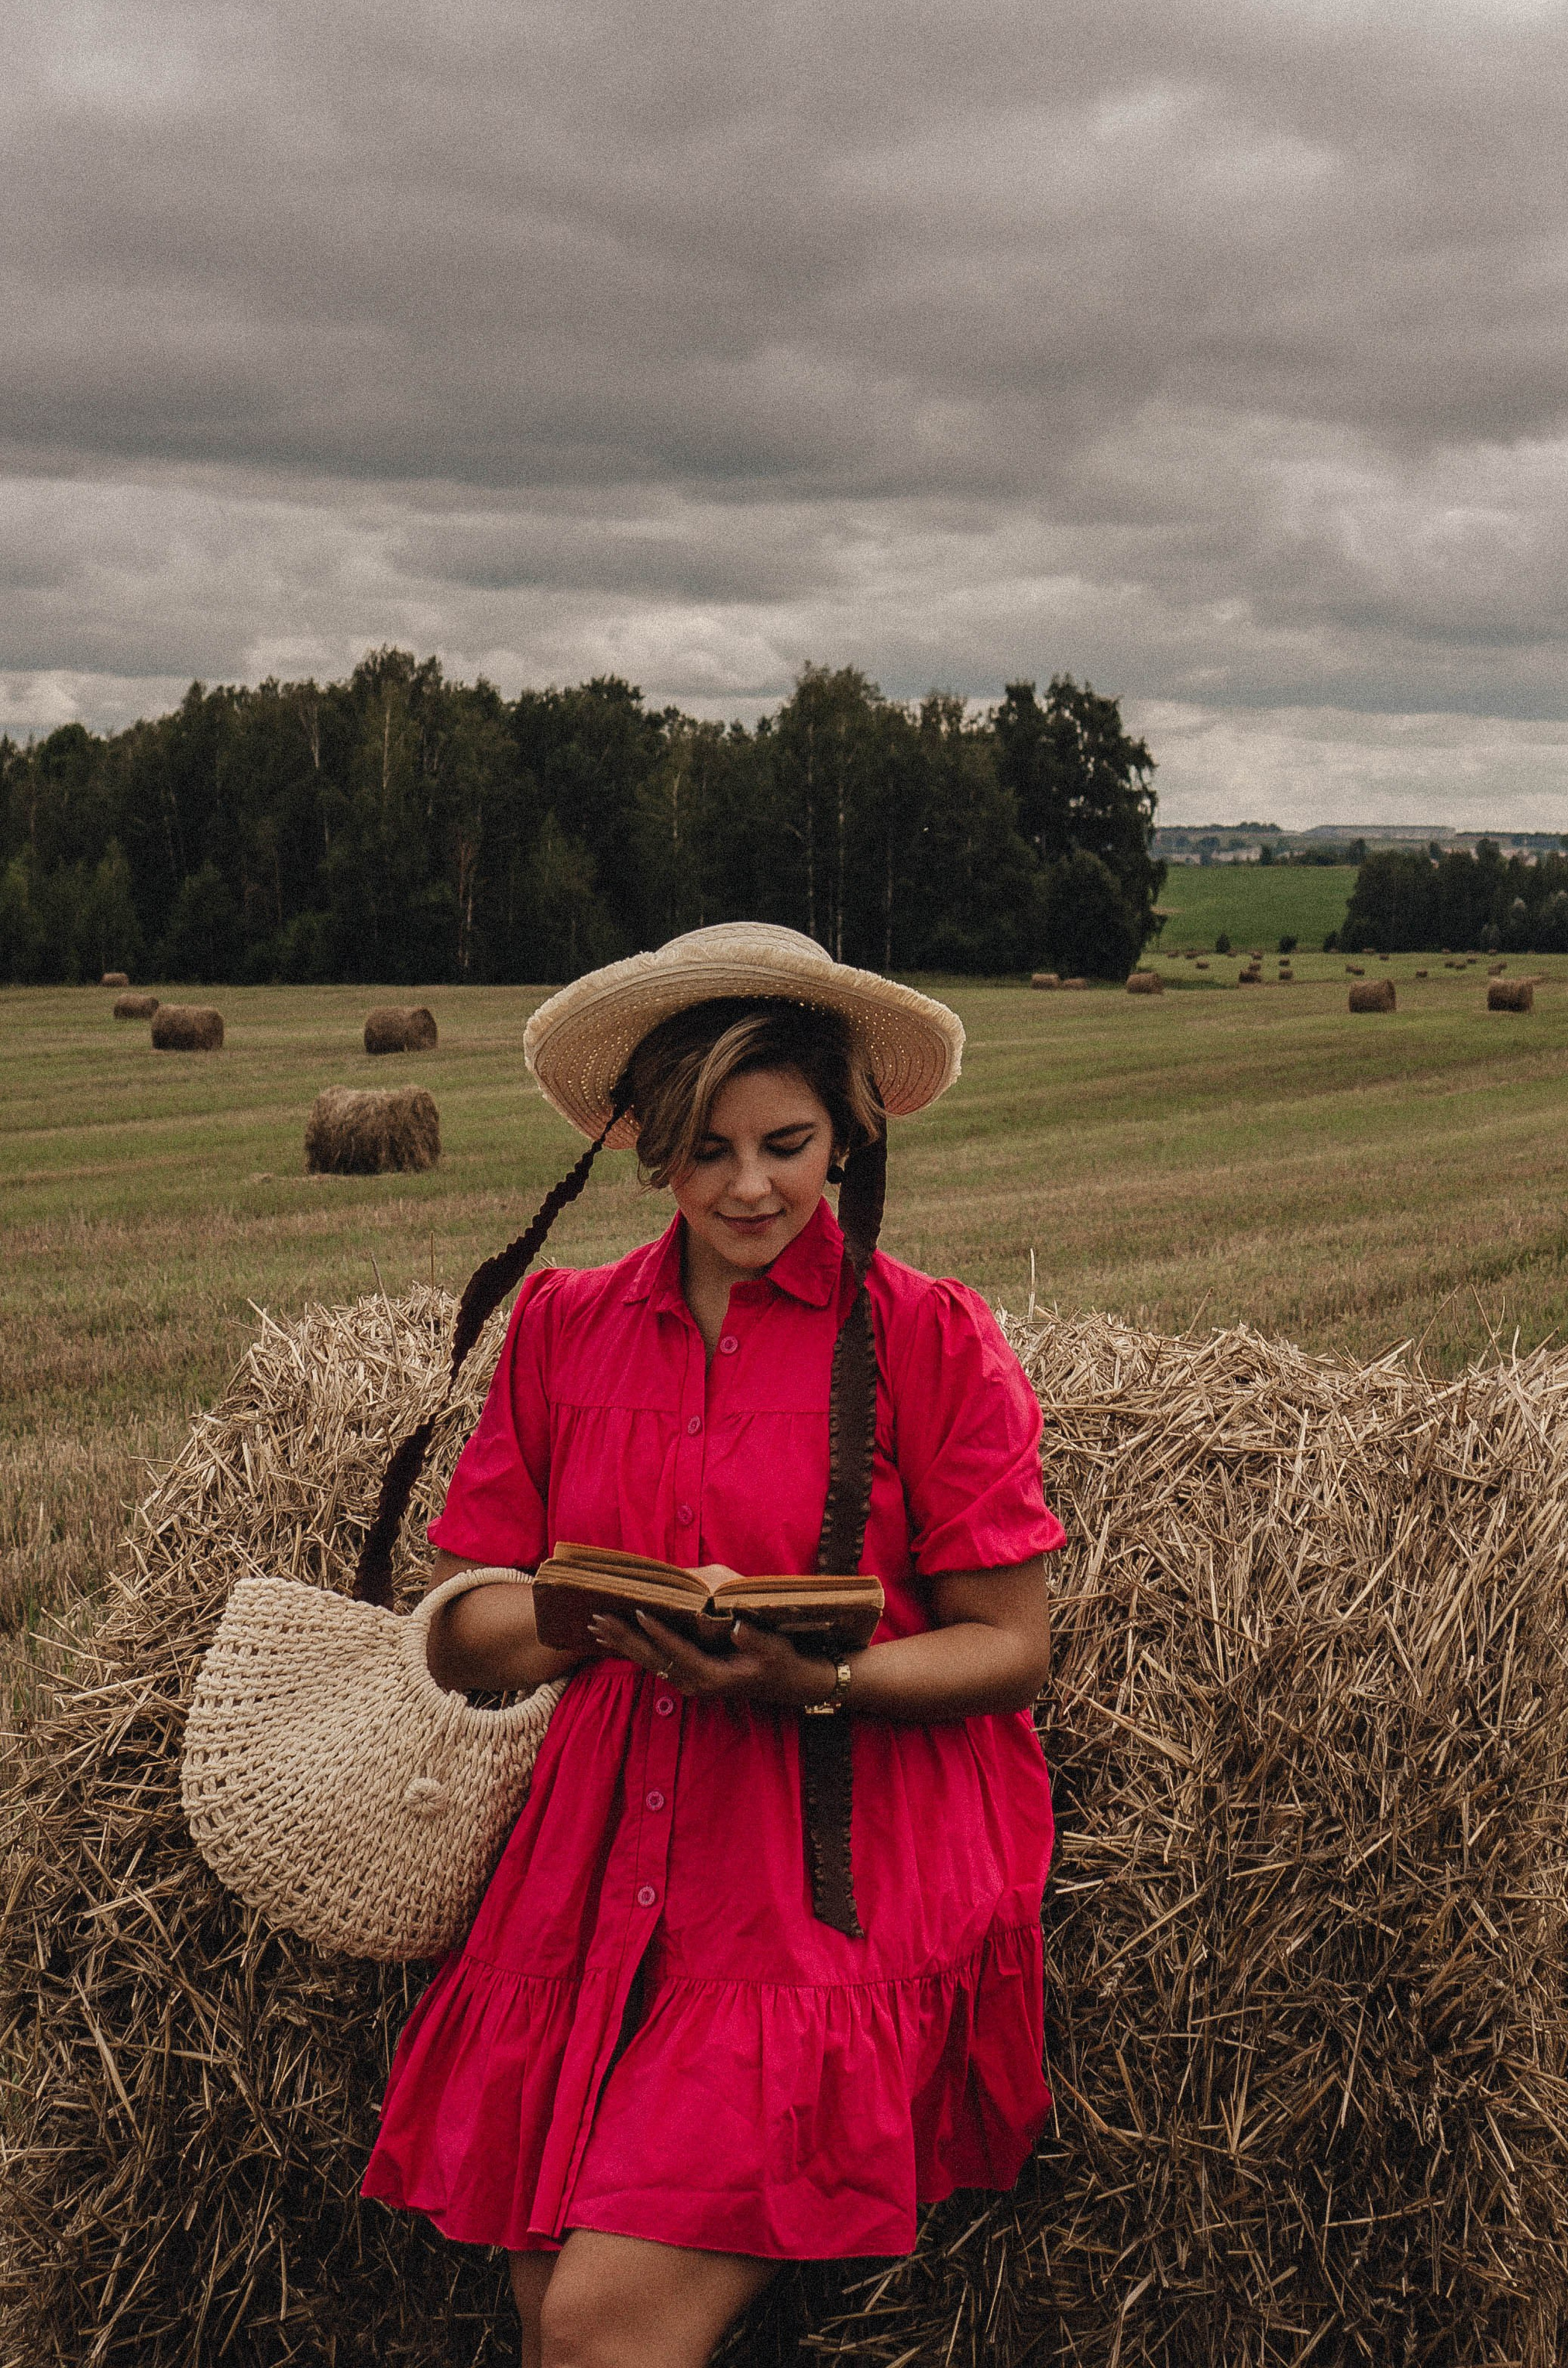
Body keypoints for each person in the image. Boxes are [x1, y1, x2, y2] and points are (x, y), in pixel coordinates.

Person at [362, 924, 1065, 2368]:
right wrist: (571, 1613)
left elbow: (1014, 1646)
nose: (751, 1187)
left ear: (850, 1137)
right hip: (599, 1859)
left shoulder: (928, 1338)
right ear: (644, 1147)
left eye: (788, 1144)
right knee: (551, 2314)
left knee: (606, 2329)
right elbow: (462, 1638)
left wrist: (825, 1674)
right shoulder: (563, 1329)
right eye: (706, 1150)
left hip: (826, 1859)